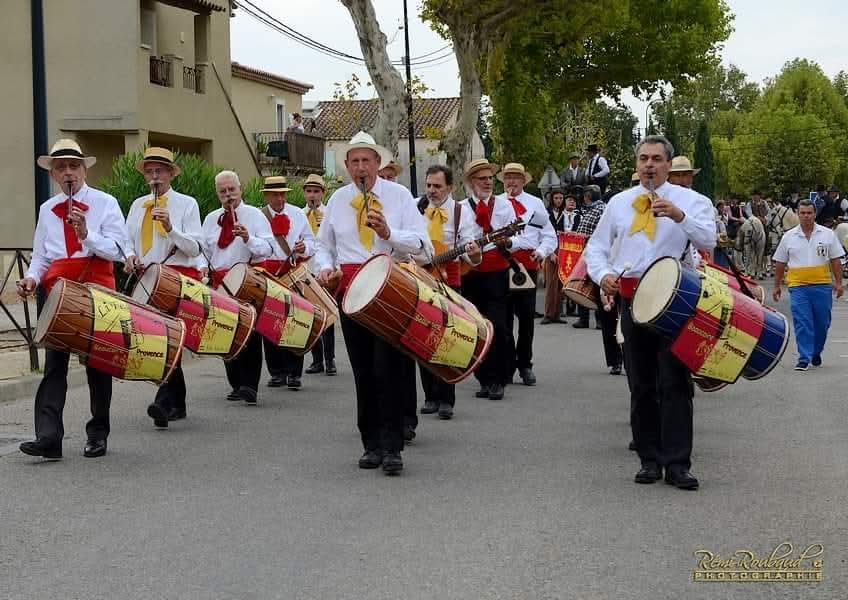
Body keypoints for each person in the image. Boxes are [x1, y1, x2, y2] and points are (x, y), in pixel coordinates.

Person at [584, 135, 716, 490]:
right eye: (643, 158)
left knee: (675, 382)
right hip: (632, 297)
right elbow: (595, 249)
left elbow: (709, 240)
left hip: (676, 299)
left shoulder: (692, 200)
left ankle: (677, 464)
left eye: (656, 159)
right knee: (640, 383)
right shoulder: (619, 203)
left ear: (669, 166)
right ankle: (648, 459)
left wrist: (679, 216)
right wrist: (604, 274)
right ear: (637, 164)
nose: (649, 165)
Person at [315, 131, 431, 475]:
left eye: (367, 161)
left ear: (378, 165)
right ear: (348, 167)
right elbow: (324, 245)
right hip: (351, 292)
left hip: (389, 289)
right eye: (355, 162)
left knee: (389, 369)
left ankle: (393, 446)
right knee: (364, 371)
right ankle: (371, 443)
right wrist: (325, 269)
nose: (361, 167)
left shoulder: (399, 196)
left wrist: (389, 234)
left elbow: (423, 245)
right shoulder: (337, 200)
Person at [18, 139, 129, 460]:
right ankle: (49, 437)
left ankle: (98, 433)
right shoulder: (46, 209)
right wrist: (31, 278)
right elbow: (41, 257)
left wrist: (86, 235)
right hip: (61, 291)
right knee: (55, 365)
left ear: (84, 170)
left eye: (73, 166)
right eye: (61, 167)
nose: (68, 172)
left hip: (97, 288)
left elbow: (119, 250)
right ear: (53, 174)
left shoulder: (105, 203)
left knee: (98, 365)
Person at [125, 147, 203, 429]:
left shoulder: (187, 204)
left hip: (176, 279)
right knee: (156, 338)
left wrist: (171, 228)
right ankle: (176, 402)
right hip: (146, 280)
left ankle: (164, 401)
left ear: (171, 173)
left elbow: (195, 247)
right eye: (150, 171)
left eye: (160, 171)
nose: (154, 176)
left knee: (169, 339)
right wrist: (129, 257)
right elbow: (126, 240)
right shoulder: (137, 206)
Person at [200, 170, 275, 405]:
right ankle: (235, 383)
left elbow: (268, 249)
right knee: (225, 332)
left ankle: (250, 385)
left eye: (232, 189)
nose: (228, 195)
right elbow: (204, 250)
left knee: (249, 333)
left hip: (247, 279)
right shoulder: (211, 218)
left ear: (240, 189)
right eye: (223, 191)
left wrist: (247, 238)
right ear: (217, 193)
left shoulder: (254, 215)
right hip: (220, 282)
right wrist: (202, 266)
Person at [416, 164, 481, 420]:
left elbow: (470, 249)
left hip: (448, 280)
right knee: (421, 335)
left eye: (437, 186)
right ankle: (430, 395)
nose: (431, 190)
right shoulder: (415, 207)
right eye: (429, 185)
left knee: (446, 338)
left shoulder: (460, 212)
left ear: (450, 188)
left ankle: (447, 398)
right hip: (420, 277)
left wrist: (474, 254)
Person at [460, 159, 517, 401]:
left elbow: (512, 238)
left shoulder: (504, 206)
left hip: (497, 272)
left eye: (490, 178)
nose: (487, 182)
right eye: (482, 178)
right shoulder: (461, 208)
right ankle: (483, 378)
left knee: (498, 325)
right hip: (470, 272)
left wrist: (507, 241)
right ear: (472, 182)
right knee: (476, 325)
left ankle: (499, 378)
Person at [497, 163, 557, 386]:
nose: (511, 182)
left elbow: (549, 235)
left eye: (516, 178)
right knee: (502, 321)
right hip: (501, 266)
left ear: (524, 181)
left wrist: (541, 251)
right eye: (508, 177)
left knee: (525, 319)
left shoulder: (535, 205)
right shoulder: (497, 203)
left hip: (527, 267)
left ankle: (524, 365)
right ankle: (506, 364)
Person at [256, 176, 315, 390]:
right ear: (267, 196)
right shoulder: (258, 216)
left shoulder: (298, 214)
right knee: (270, 322)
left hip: (292, 271)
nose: (280, 198)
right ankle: (277, 372)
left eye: (282, 194)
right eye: (275, 194)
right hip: (269, 273)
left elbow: (311, 242)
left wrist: (303, 248)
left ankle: (294, 372)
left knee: (295, 322)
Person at [772, 199, 844, 370]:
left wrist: (839, 283)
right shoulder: (789, 237)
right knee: (802, 322)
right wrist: (776, 286)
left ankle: (816, 351)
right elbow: (780, 263)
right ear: (798, 214)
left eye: (809, 213)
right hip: (798, 287)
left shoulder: (827, 234)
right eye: (802, 213)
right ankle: (804, 358)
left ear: (814, 214)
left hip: (822, 286)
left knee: (822, 323)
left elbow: (835, 260)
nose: (806, 216)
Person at [301, 174, 337, 376]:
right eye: (309, 191)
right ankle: (316, 360)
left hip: (324, 271)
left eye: (316, 191)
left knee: (328, 316)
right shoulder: (299, 214)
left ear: (323, 193)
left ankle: (330, 359)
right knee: (312, 316)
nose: (312, 195)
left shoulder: (329, 214)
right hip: (306, 271)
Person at [573, 185, 605, 330]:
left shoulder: (602, 209)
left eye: (586, 195)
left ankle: (600, 319)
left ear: (591, 196)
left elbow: (602, 233)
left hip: (595, 253)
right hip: (583, 252)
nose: (585, 198)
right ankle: (583, 318)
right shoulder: (589, 209)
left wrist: (589, 238)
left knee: (596, 286)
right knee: (581, 284)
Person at [542, 190, 574, 324]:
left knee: (561, 281)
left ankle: (557, 314)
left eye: (561, 198)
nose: (559, 200)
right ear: (552, 199)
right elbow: (543, 233)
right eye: (556, 198)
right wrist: (551, 252)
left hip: (563, 247)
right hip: (551, 248)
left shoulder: (565, 214)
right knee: (551, 282)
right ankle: (548, 314)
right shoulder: (546, 213)